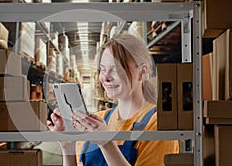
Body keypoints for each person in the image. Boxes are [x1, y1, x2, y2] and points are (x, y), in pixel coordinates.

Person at [47, 34, 178, 166]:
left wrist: (106, 143)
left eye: (116, 69)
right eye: (102, 70)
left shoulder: (159, 125)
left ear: (142, 72)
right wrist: (68, 146)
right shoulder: (99, 119)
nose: (106, 78)